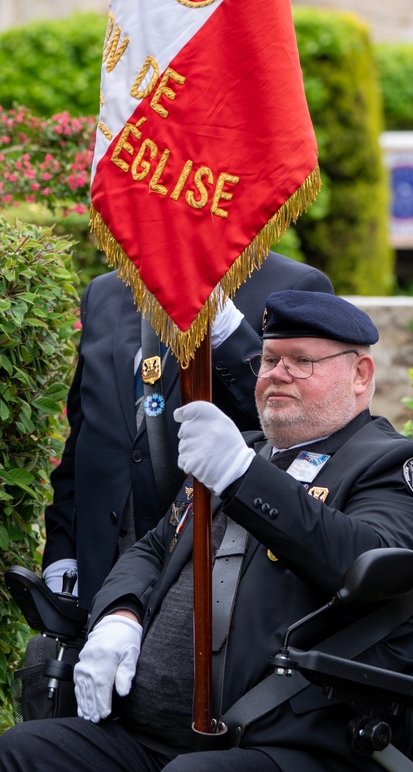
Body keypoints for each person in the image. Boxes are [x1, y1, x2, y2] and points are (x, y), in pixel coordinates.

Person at [0, 289, 413, 772]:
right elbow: (153, 548)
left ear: (361, 375)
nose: (278, 373)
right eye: (271, 359)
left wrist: (242, 475)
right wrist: (120, 615)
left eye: (302, 362)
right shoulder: (241, 452)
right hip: (161, 738)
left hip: (293, 745)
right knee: (25, 754)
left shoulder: (395, 466)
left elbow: (361, 561)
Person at [43, 253, 334, 610]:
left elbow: (299, 421)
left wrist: (226, 332)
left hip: (209, 570)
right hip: (101, 565)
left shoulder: (294, 284)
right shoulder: (105, 290)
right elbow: (85, 435)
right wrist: (62, 554)